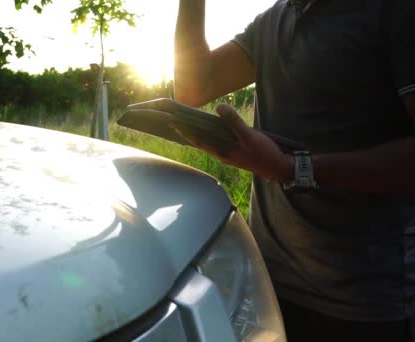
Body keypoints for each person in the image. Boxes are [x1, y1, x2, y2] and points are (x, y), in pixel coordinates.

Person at [172, 0, 415, 340]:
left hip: (364, 304)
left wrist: (293, 169)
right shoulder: (276, 18)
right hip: (270, 287)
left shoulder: (395, 11)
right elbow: (194, 87)